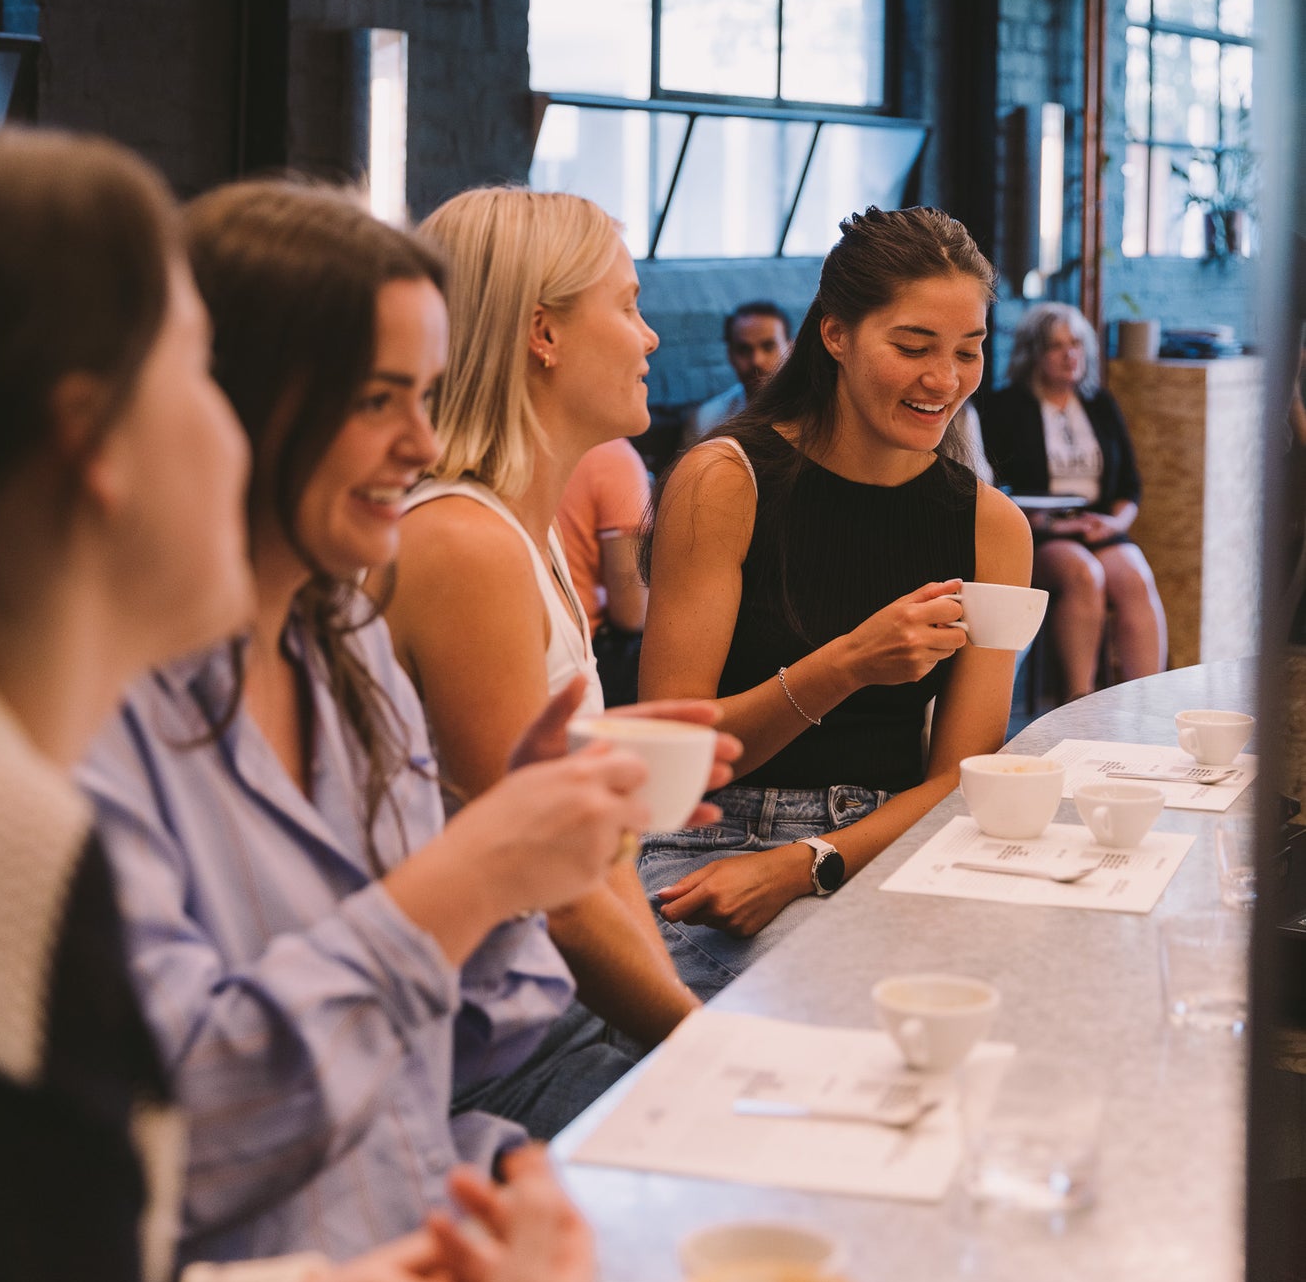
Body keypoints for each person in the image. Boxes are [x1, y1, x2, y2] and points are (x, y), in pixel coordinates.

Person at [0, 130, 593, 1282]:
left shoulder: (337, 638)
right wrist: (475, 876)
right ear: (88, 439)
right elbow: (147, 1169)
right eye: (197, 375)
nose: (226, 429)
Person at [79, 178, 681, 1269]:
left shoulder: (342, 644)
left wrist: (503, 1170)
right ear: (226, 406)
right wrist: (479, 874)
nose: (420, 441)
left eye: (431, 392)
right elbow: (182, 1149)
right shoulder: (99, 712)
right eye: (376, 400)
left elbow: (451, 1038)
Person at [635, 206, 1033, 999]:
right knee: (843, 1006)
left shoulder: (992, 525)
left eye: (968, 350)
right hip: (713, 838)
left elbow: (960, 774)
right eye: (913, 346)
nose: (943, 379)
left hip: (889, 838)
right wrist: (848, 663)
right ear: (836, 335)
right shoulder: (726, 480)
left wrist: (813, 859)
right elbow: (669, 763)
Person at [386, 188, 731, 1086]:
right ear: (543, 333)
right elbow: (555, 892)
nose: (650, 336)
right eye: (627, 304)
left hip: (549, 1000)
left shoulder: (517, 532)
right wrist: (708, 1056)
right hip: (487, 1042)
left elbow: (594, 856)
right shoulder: (462, 544)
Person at [977, 302, 1167, 699]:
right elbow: (994, 490)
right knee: (1085, 575)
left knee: (1134, 577)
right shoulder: (1005, 408)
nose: (1071, 354)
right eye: (1056, 346)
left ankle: (1146, 701)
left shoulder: (1099, 403)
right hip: (1039, 529)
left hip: (1098, 524)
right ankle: (1081, 701)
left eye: (1077, 343)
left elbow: (1130, 485)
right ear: (1033, 353)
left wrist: (1114, 524)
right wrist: (1048, 524)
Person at [556, 435, 652, 705]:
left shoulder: (523, 445)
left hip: (542, 645)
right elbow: (632, 613)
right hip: (587, 650)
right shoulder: (611, 457)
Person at [683, 301, 792, 447]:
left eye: (768, 346)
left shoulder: (815, 413)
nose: (756, 361)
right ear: (730, 355)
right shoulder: (707, 420)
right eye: (743, 350)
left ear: (791, 349)